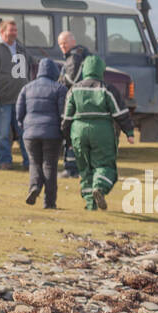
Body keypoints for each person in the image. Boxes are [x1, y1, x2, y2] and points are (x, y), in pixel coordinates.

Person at [61, 55, 134, 210]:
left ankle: (90, 204)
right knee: (105, 165)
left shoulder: (74, 89)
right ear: (101, 70)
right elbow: (120, 113)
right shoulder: (107, 89)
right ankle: (99, 187)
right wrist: (129, 132)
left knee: (85, 168)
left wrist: (67, 139)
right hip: (102, 131)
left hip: (78, 132)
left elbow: (67, 118)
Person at [14, 58, 68, 209]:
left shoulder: (27, 88)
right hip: (52, 134)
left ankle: (34, 187)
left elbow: (19, 113)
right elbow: (63, 113)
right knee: (50, 166)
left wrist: (24, 127)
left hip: (30, 133)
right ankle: (49, 203)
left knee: (34, 163)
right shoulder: (60, 88)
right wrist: (64, 133)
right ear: (54, 72)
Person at [0, 16, 31, 170]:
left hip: (21, 99)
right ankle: (5, 162)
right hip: (2, 100)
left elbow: (29, 67)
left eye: (15, 30)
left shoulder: (21, 49)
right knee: (3, 134)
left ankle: (29, 163)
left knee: (24, 133)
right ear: (3, 32)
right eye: (11, 30)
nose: (14, 33)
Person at [57, 30, 91, 178]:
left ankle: (71, 169)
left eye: (64, 43)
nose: (62, 46)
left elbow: (71, 80)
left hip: (75, 103)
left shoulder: (74, 57)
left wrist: (58, 82)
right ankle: (80, 168)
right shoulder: (82, 55)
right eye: (60, 44)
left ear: (72, 42)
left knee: (70, 134)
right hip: (84, 102)